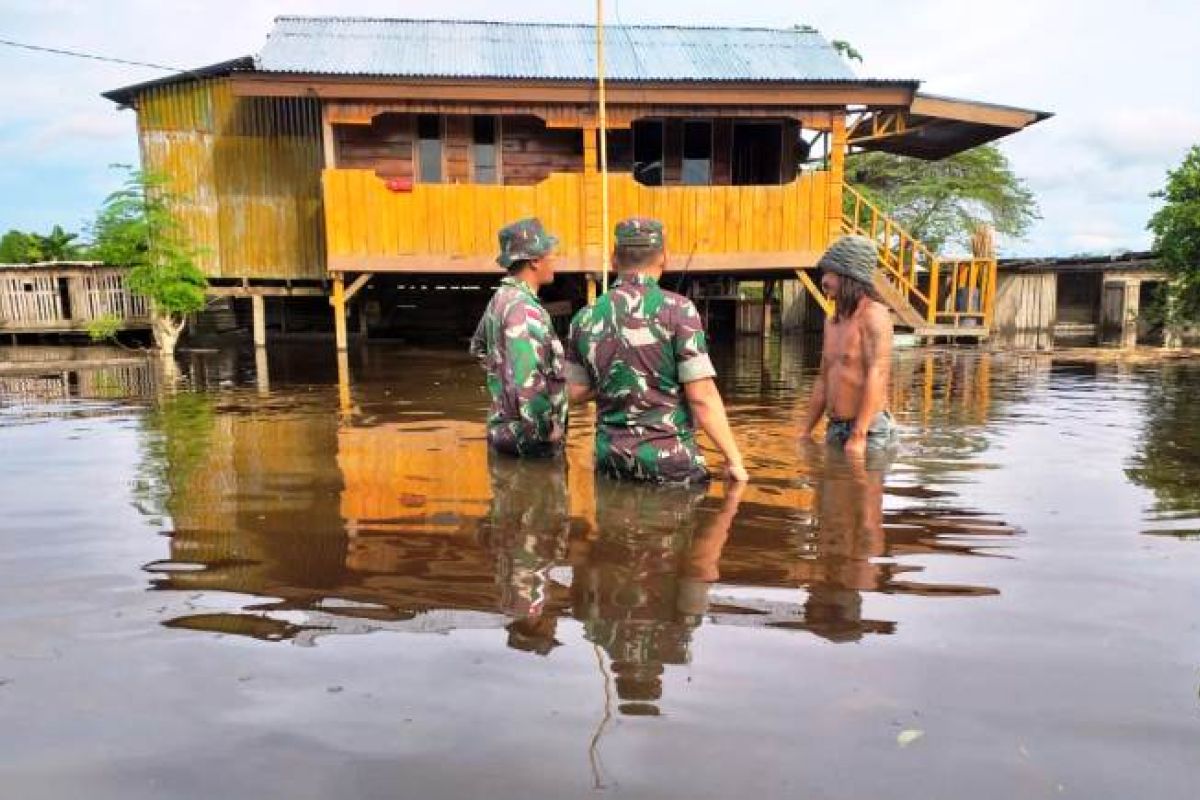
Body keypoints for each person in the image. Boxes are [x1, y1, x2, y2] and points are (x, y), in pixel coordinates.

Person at [565, 217, 748, 484]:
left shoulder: (584, 317)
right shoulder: (680, 310)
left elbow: (574, 392)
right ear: (664, 257)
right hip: (672, 465)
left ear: (614, 259)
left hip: (612, 465)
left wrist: (618, 378)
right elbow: (702, 397)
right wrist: (734, 460)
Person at [469, 217, 568, 457]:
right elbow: (528, 379)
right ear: (535, 260)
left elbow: (478, 348)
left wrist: (503, 382)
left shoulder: (500, 298)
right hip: (529, 439)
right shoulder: (525, 309)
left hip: (502, 428)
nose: (554, 260)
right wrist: (545, 430)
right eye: (550, 254)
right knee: (541, 493)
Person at [802, 235, 897, 458]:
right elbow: (823, 379)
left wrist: (859, 435)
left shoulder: (874, 316)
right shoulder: (832, 321)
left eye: (830, 274)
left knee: (861, 491)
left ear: (850, 277)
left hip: (870, 431)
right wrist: (804, 431)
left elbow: (879, 374)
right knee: (827, 491)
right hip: (835, 428)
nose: (823, 280)